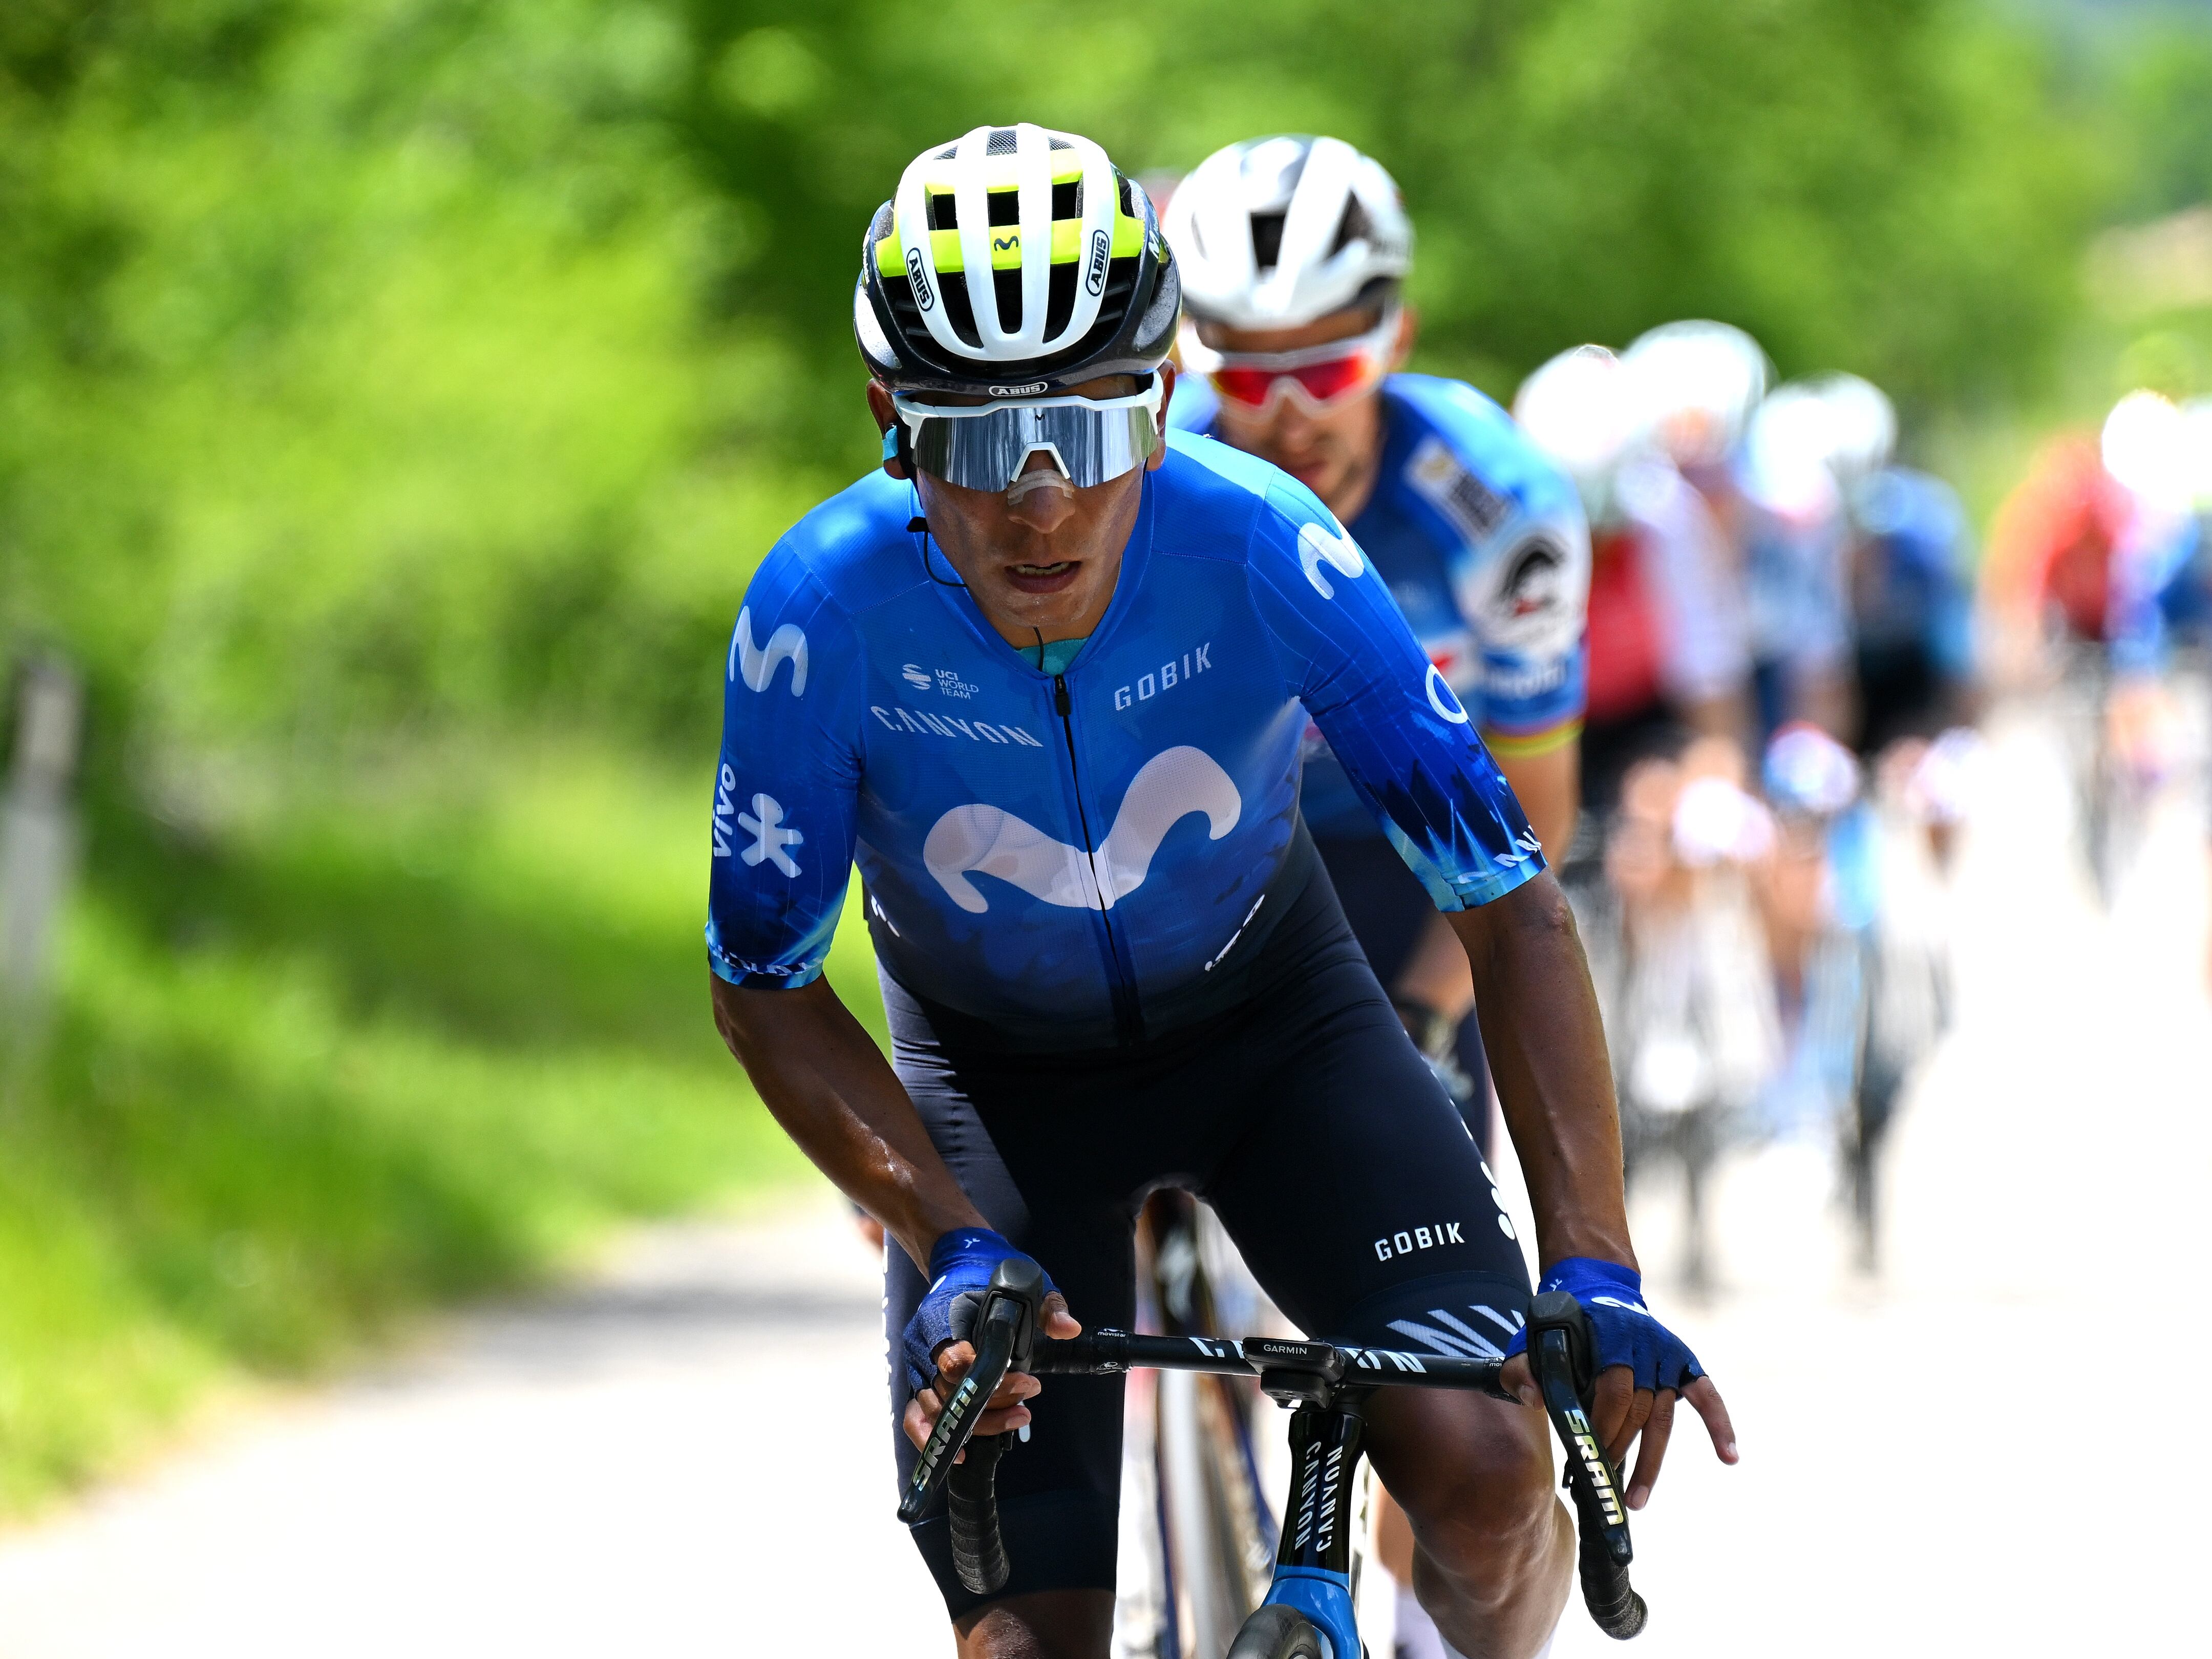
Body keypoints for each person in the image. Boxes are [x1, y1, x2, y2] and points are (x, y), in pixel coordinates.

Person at [706, 124, 1735, 1659]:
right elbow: (762, 983)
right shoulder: (818, 613)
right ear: (889, 420)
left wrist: (1595, 1256)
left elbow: (1509, 898)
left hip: (1279, 1036)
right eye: (977, 442)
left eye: (1091, 428)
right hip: (998, 1094)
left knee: (1490, 1481)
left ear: (1162, 399)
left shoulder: (1264, 542)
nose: (1041, 503)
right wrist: (942, 1229)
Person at [1159, 136, 1591, 1127]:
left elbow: (1530, 814)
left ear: (1399, 341)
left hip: (1417, 854)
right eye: (1249, 380)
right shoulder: (1149, 490)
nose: (1293, 419)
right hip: (1210, 849)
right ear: (1190, 363)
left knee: (1428, 1168)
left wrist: (1425, 1012)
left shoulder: (1502, 510)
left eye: (1330, 368)